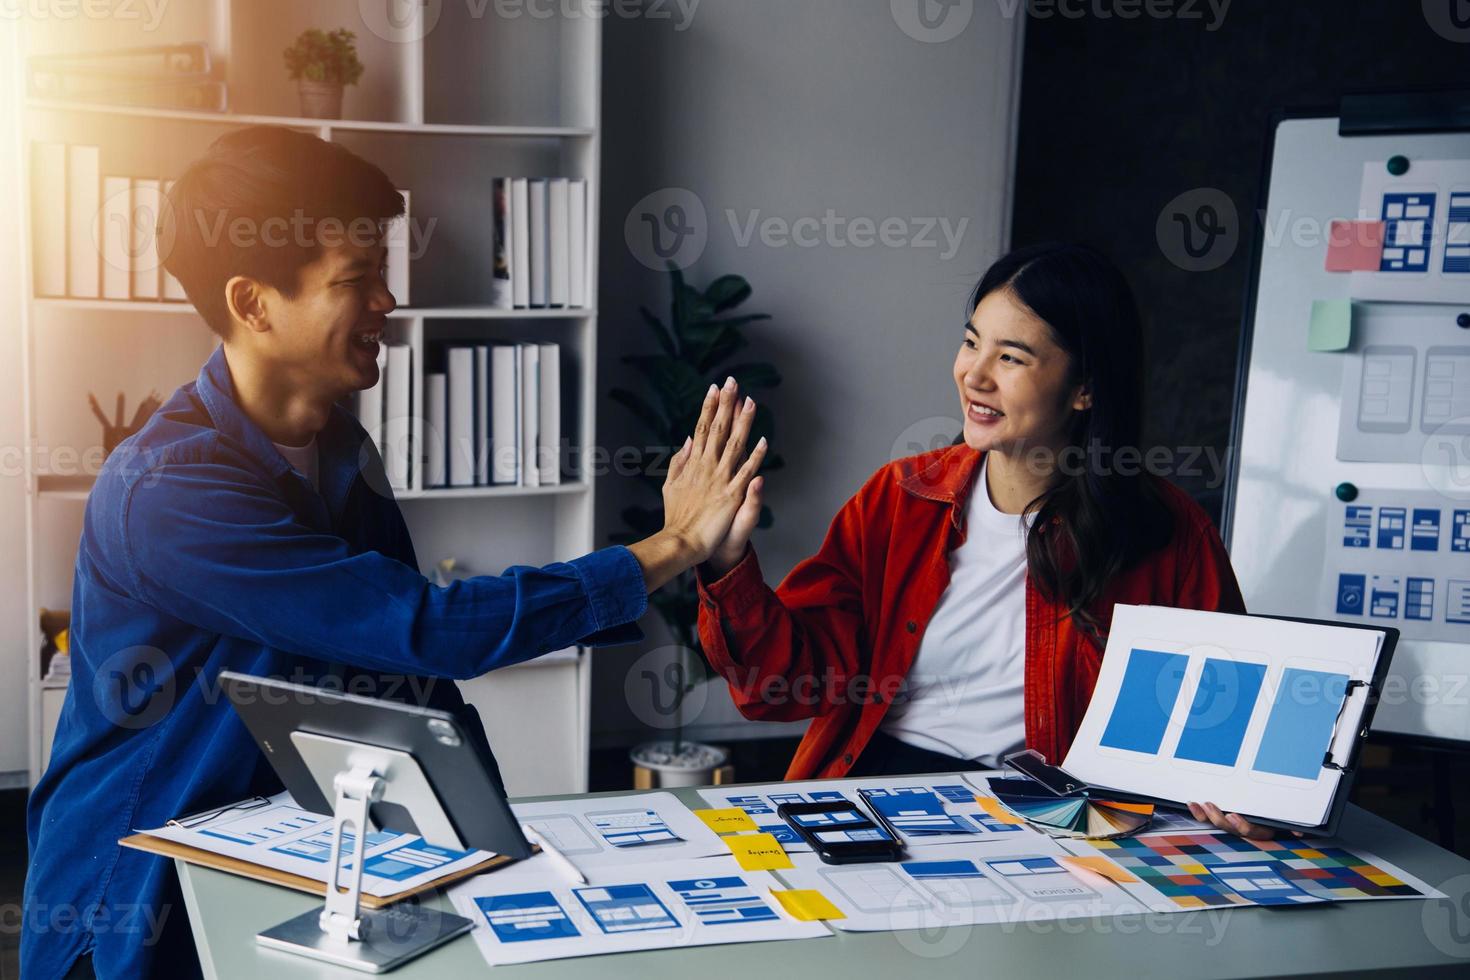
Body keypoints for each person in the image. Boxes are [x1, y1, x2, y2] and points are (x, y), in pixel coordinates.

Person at [23, 126, 766, 980]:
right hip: (133, 893)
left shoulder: (339, 442)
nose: (387, 301)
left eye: (384, 272)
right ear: (254, 303)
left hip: (275, 841)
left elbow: (404, 679)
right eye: (355, 280)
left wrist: (488, 838)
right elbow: (423, 627)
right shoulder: (169, 489)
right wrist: (671, 545)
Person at [694, 242, 1266, 839]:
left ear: (1085, 389)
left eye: (1012, 357)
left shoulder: (1165, 531)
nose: (974, 374)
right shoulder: (900, 498)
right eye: (972, 343)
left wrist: (1238, 791)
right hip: (876, 783)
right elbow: (784, 687)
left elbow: (1222, 718)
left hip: (1048, 810)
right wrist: (728, 562)